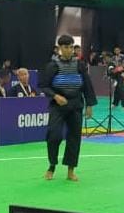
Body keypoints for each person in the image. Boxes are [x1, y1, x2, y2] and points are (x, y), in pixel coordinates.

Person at [39, 34, 97, 182]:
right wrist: (55, 96)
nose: (70, 50)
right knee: (54, 135)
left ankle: (71, 170)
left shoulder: (79, 65)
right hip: (58, 105)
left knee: (74, 138)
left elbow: (87, 85)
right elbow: (43, 86)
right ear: (59, 48)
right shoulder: (52, 66)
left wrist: (89, 105)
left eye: (71, 47)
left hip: (76, 104)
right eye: (66, 47)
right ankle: (52, 166)